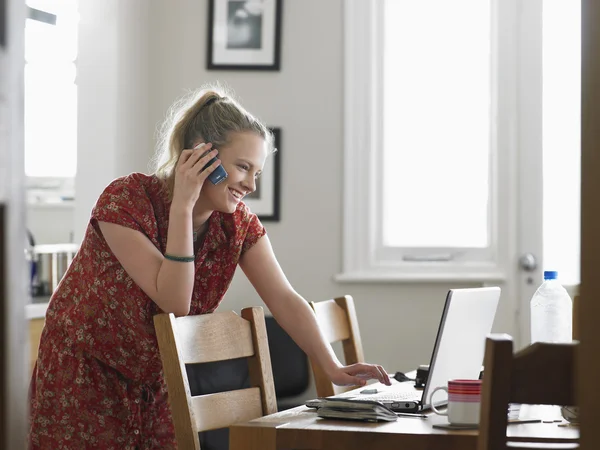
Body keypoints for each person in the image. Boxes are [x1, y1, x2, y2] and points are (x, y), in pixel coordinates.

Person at [28, 85, 391, 449]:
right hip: (85, 373)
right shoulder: (125, 200)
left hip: (157, 381)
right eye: (243, 167)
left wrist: (330, 366)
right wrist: (183, 207)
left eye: (257, 173)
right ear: (202, 158)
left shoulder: (237, 225)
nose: (250, 184)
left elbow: (283, 298)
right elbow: (175, 301)